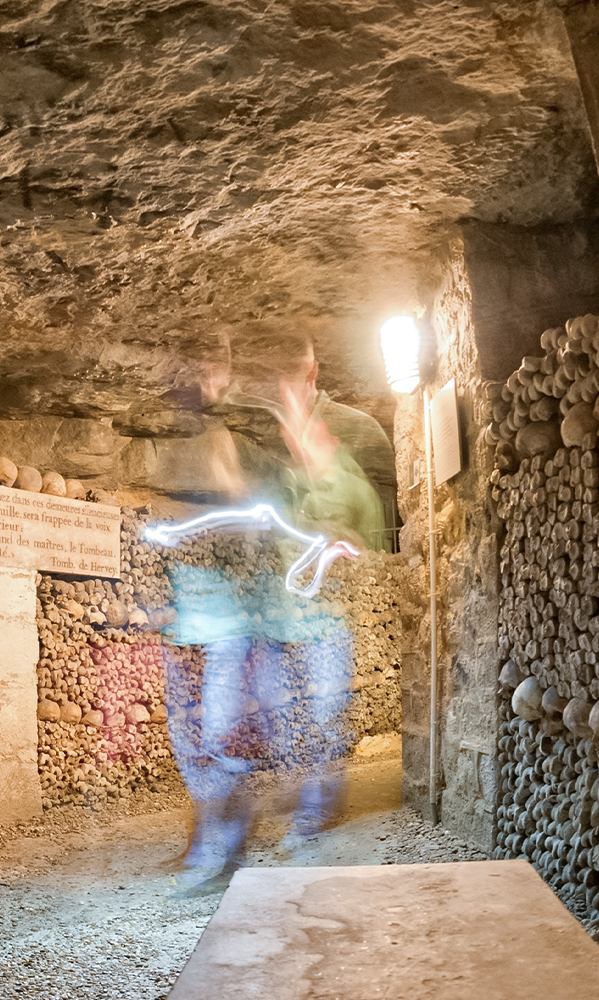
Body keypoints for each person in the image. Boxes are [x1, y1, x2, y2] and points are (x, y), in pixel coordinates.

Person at [156, 330, 390, 894]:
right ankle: (230, 840)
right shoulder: (254, 448)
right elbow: (255, 510)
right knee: (247, 728)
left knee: (310, 720)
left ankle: (301, 826)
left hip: (291, 618)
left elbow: (374, 542)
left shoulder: (349, 445)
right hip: (257, 617)